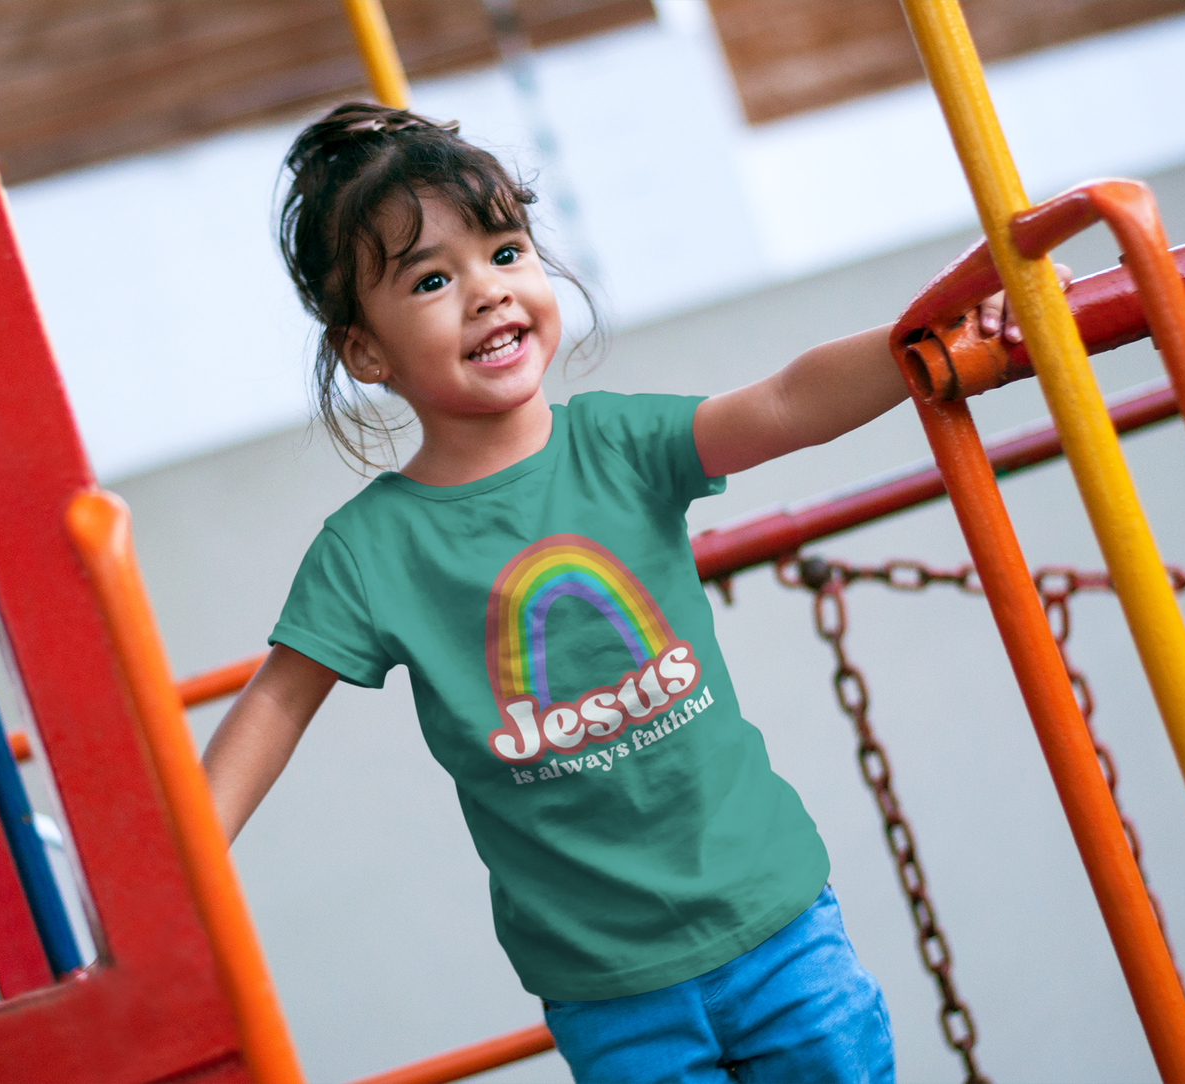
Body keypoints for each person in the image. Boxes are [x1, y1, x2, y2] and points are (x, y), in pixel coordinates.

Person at [203, 101, 1047, 1084]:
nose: (485, 292)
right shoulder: (370, 547)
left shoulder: (614, 444)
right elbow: (275, 700)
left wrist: (923, 338)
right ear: (366, 354)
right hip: (606, 980)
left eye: (505, 252)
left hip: (767, 915)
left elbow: (782, 404)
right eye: (431, 279)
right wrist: (183, 874)